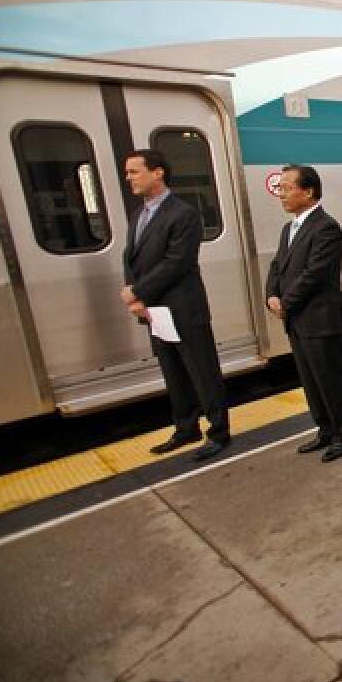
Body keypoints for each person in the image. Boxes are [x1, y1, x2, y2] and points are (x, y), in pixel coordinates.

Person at [121, 149, 231, 462]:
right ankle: (186, 427)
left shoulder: (183, 214)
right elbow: (131, 258)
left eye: (134, 171)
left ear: (158, 173)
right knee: (172, 371)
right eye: (127, 172)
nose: (128, 178)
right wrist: (139, 296)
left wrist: (138, 291)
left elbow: (177, 263)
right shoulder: (139, 215)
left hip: (183, 307)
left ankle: (219, 432)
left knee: (202, 371)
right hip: (155, 310)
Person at [265, 165, 342, 463]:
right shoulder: (288, 228)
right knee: (310, 380)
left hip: (320, 319)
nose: (282, 193)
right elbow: (277, 266)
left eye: (287, 187)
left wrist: (286, 302)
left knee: (330, 379)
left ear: (308, 191)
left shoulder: (326, 227)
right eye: (280, 187)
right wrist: (271, 295)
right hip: (297, 320)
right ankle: (325, 430)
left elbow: (315, 274)